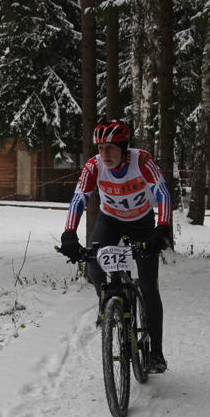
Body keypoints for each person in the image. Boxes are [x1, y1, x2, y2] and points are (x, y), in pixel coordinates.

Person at [59, 119, 173, 374]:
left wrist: (162, 228)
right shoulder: (93, 166)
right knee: (93, 262)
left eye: (110, 147)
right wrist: (69, 234)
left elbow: (163, 193)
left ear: (123, 148)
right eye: (100, 148)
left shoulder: (141, 161)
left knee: (149, 286)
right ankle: (108, 306)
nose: (104, 154)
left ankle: (156, 353)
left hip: (142, 223)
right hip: (109, 220)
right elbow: (78, 198)